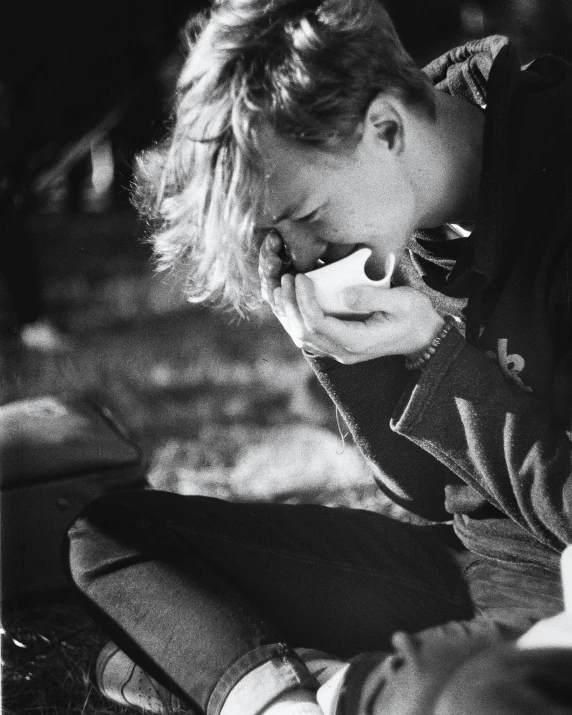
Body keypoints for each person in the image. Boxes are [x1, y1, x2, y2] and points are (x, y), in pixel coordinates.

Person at [67, 0, 572, 713]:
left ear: (386, 130)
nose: (305, 255)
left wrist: (440, 352)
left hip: (558, 594)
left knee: (467, 701)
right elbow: (429, 498)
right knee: (110, 535)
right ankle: (286, 699)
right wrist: (342, 356)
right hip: (471, 568)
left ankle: (264, 679)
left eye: (304, 217)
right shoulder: (402, 204)